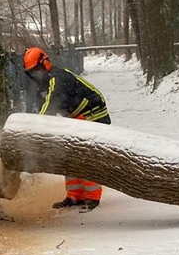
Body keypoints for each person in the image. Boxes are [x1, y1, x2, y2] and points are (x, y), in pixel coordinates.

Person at [23, 46, 112, 210]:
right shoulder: (41, 85)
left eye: (36, 69)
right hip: (75, 118)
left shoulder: (56, 78)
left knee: (86, 156)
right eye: (32, 72)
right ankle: (75, 196)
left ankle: (92, 197)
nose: (35, 74)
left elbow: (48, 108)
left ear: (45, 63)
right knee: (69, 156)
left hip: (93, 113)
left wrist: (34, 129)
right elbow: (39, 108)